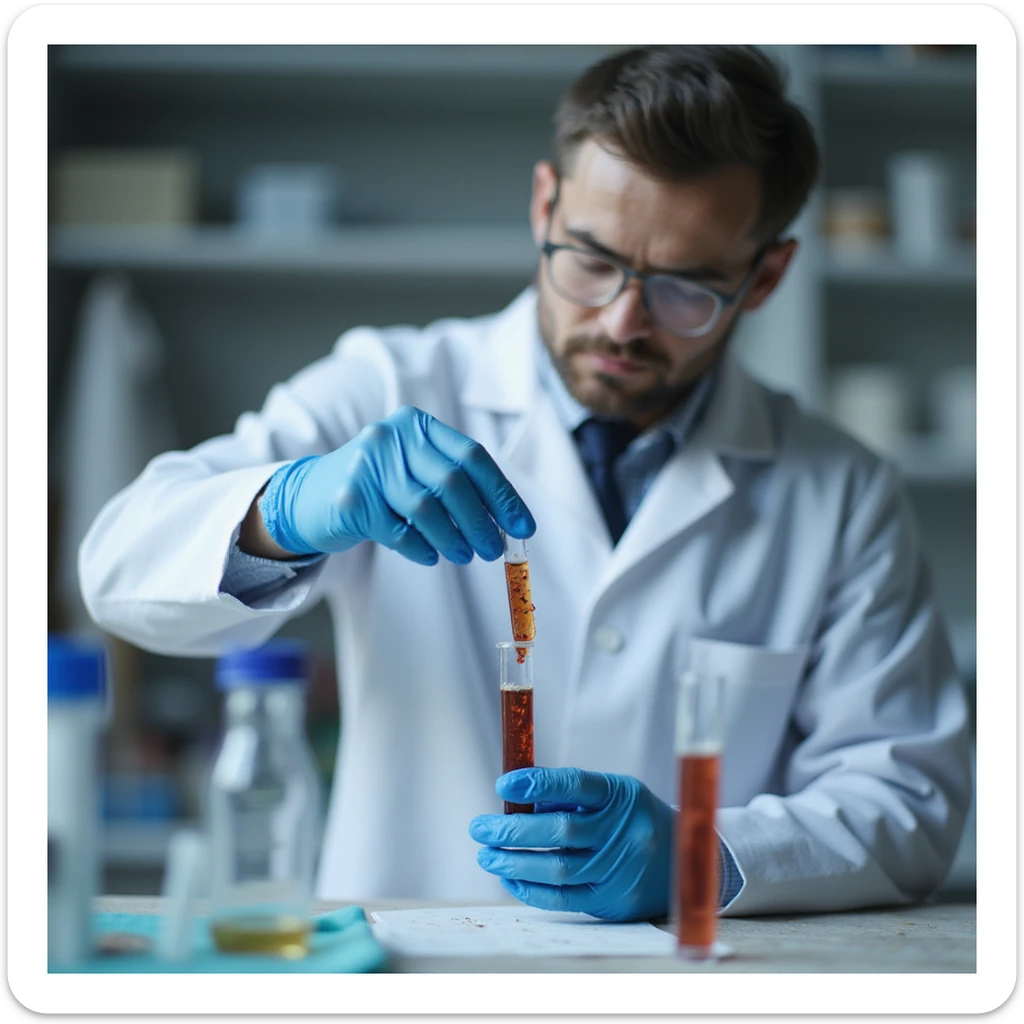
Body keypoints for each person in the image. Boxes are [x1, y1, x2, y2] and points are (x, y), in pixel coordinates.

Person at [79, 45, 971, 920]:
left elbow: (908, 799)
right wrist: (295, 502)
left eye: (686, 286)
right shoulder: (390, 386)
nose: (623, 321)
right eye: (591, 259)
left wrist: (704, 855)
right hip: (413, 972)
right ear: (545, 207)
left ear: (765, 276)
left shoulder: (841, 493)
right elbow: (117, 568)